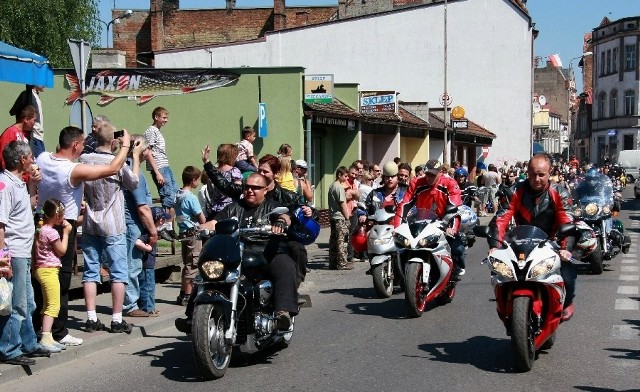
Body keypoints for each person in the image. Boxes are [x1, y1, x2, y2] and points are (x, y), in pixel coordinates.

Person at [489, 154, 576, 321]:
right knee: (500, 274)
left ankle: (567, 302)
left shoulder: (559, 193)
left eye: (541, 174)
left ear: (549, 173)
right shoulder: (515, 191)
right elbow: (501, 219)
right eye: (533, 174)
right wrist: (495, 244)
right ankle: (505, 304)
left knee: (568, 274)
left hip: (551, 242)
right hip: (521, 241)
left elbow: (567, 219)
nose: (536, 179)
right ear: (527, 172)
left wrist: (565, 248)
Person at [79, 123, 143, 334]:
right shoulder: (116, 163)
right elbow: (133, 183)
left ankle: (91, 317)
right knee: (118, 272)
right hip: (113, 223)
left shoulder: (85, 160)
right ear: (114, 141)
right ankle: (116, 319)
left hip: (90, 221)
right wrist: (135, 157)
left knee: (90, 271)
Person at [0, 141, 47, 366]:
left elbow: (27, 208)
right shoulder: (4, 184)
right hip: (14, 252)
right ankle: (9, 348)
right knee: (17, 303)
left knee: (28, 302)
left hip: (24, 251)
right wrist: (2, 256)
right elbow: (1, 224)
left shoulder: (19, 182)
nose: (33, 161)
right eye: (30, 157)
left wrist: (34, 186)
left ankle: (28, 342)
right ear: (21, 160)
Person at [394, 159, 466, 279]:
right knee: (401, 246)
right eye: (427, 174)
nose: (429, 177)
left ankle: (457, 269)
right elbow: (405, 204)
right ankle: (402, 275)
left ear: (441, 172)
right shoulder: (416, 183)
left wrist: (452, 228)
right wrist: (398, 226)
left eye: (433, 174)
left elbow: (455, 208)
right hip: (421, 222)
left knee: (457, 249)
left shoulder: (450, 183)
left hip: (443, 223)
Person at [122, 134, 157, 318]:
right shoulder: (134, 173)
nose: (149, 151)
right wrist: (153, 232)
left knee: (132, 265)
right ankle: (130, 305)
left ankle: (134, 302)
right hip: (132, 224)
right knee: (132, 265)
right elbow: (142, 208)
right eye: (147, 147)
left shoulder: (126, 168)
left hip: (130, 224)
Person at [34, 199, 72, 353]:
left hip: (42, 270)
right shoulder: (51, 232)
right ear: (57, 216)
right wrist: (66, 233)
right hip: (49, 270)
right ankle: (45, 337)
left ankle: (47, 335)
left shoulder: (41, 229)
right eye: (62, 216)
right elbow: (62, 250)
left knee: (46, 305)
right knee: (53, 305)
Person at [174, 166, 210, 306]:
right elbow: (201, 219)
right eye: (198, 180)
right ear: (193, 180)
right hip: (193, 234)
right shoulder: (191, 198)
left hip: (183, 232)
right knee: (193, 265)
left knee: (186, 264)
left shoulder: (178, 194)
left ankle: (182, 293)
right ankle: (188, 296)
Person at [145, 107, 179, 239]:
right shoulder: (151, 131)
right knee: (167, 197)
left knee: (175, 195)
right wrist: (157, 172)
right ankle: (162, 225)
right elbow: (148, 152)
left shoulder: (157, 131)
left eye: (166, 117)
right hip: (159, 167)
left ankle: (169, 225)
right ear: (156, 117)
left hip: (165, 165)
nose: (166, 120)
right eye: (164, 117)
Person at [136, 206, 169, 316]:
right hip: (146, 264)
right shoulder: (148, 233)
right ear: (160, 220)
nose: (164, 222)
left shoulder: (153, 232)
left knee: (149, 286)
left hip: (149, 264)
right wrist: (148, 248)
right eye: (164, 219)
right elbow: (137, 242)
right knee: (147, 287)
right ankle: (147, 308)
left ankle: (149, 307)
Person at [9, 85, 45, 158]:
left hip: (38, 135)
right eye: (41, 81)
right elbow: (13, 111)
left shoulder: (36, 96)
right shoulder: (27, 95)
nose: (44, 84)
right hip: (33, 135)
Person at [328, 166, 353, 270]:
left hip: (333, 217)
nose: (347, 178)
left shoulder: (332, 186)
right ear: (339, 175)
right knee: (342, 241)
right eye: (345, 176)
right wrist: (347, 218)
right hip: (339, 217)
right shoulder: (338, 187)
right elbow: (342, 203)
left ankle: (333, 262)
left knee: (334, 240)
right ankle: (342, 263)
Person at [0, 105, 36, 169]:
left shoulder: (22, 133)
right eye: (34, 120)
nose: (34, 124)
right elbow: (2, 156)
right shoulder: (11, 132)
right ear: (26, 119)